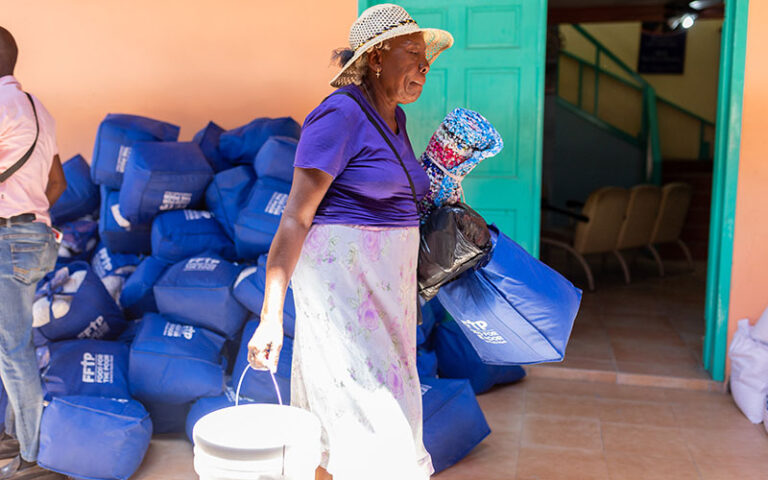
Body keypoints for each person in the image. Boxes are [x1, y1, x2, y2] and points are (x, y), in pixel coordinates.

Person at [246, 4, 453, 480]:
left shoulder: (395, 120)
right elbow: (296, 219)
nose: (425, 65)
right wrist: (271, 318)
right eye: (413, 52)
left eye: (427, 57)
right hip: (343, 298)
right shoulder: (339, 114)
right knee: (360, 417)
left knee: (358, 422)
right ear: (376, 57)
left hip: (387, 298)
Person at [0, 26, 67, 480]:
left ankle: (32, 458)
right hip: (37, 239)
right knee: (14, 343)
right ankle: (13, 432)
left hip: (8, 242)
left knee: (13, 350)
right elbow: (58, 183)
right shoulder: (37, 108)